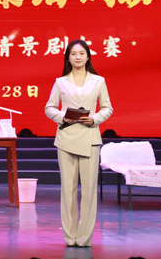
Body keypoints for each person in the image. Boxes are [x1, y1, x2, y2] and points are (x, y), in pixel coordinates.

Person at [45, 39, 113, 247]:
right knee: (68, 190)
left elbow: (107, 108)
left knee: (89, 191)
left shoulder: (98, 81)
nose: (77, 57)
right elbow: (49, 108)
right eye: (73, 53)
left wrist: (95, 119)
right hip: (66, 138)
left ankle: (84, 238)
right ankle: (70, 236)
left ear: (88, 56)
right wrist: (63, 117)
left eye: (81, 53)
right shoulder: (60, 82)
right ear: (68, 57)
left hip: (90, 138)